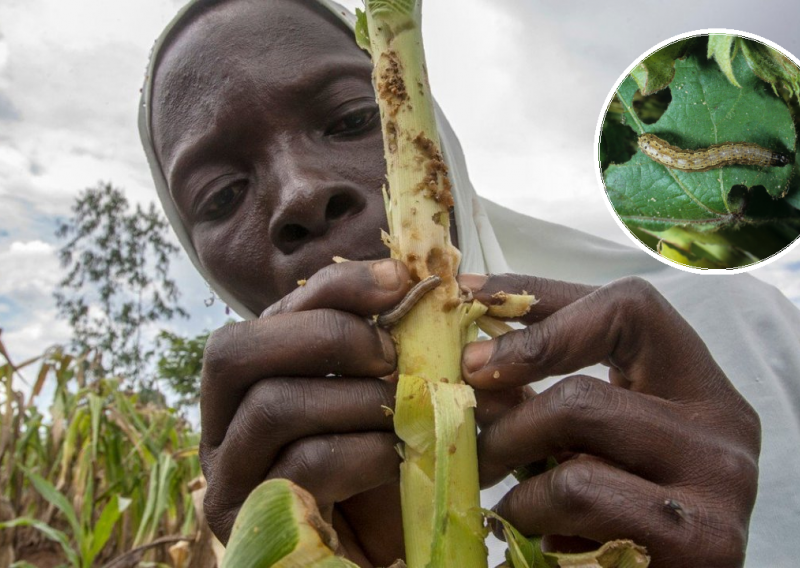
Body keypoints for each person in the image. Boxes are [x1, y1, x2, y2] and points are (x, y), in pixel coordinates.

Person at [138, 1, 800, 566]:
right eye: (221, 195)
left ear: (435, 137)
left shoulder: (738, 328)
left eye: (349, 119)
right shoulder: (270, 517)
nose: (303, 193)